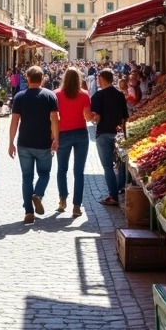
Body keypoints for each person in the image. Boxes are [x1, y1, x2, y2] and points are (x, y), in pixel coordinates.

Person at [7, 66, 59, 225]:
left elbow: (14, 121)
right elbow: (55, 119)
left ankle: (28, 212)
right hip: (44, 143)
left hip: (24, 143)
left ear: (27, 78)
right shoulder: (49, 96)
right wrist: (56, 138)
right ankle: (38, 194)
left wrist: (10, 142)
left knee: (26, 178)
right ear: (42, 78)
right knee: (44, 174)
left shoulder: (20, 97)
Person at [88, 69, 130, 207]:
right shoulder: (119, 95)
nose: (98, 80)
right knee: (121, 164)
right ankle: (120, 188)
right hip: (118, 134)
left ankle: (113, 196)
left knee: (108, 167)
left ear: (102, 78)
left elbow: (97, 117)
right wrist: (124, 133)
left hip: (103, 134)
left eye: (99, 78)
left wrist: (93, 121)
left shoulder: (98, 96)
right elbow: (125, 117)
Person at [55, 67, 92, 218]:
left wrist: (53, 136)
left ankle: (62, 199)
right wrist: (93, 115)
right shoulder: (84, 95)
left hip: (63, 134)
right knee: (79, 172)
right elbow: (88, 117)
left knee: (61, 169)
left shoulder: (56, 94)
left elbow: (53, 118)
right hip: (81, 134)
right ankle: (77, 206)